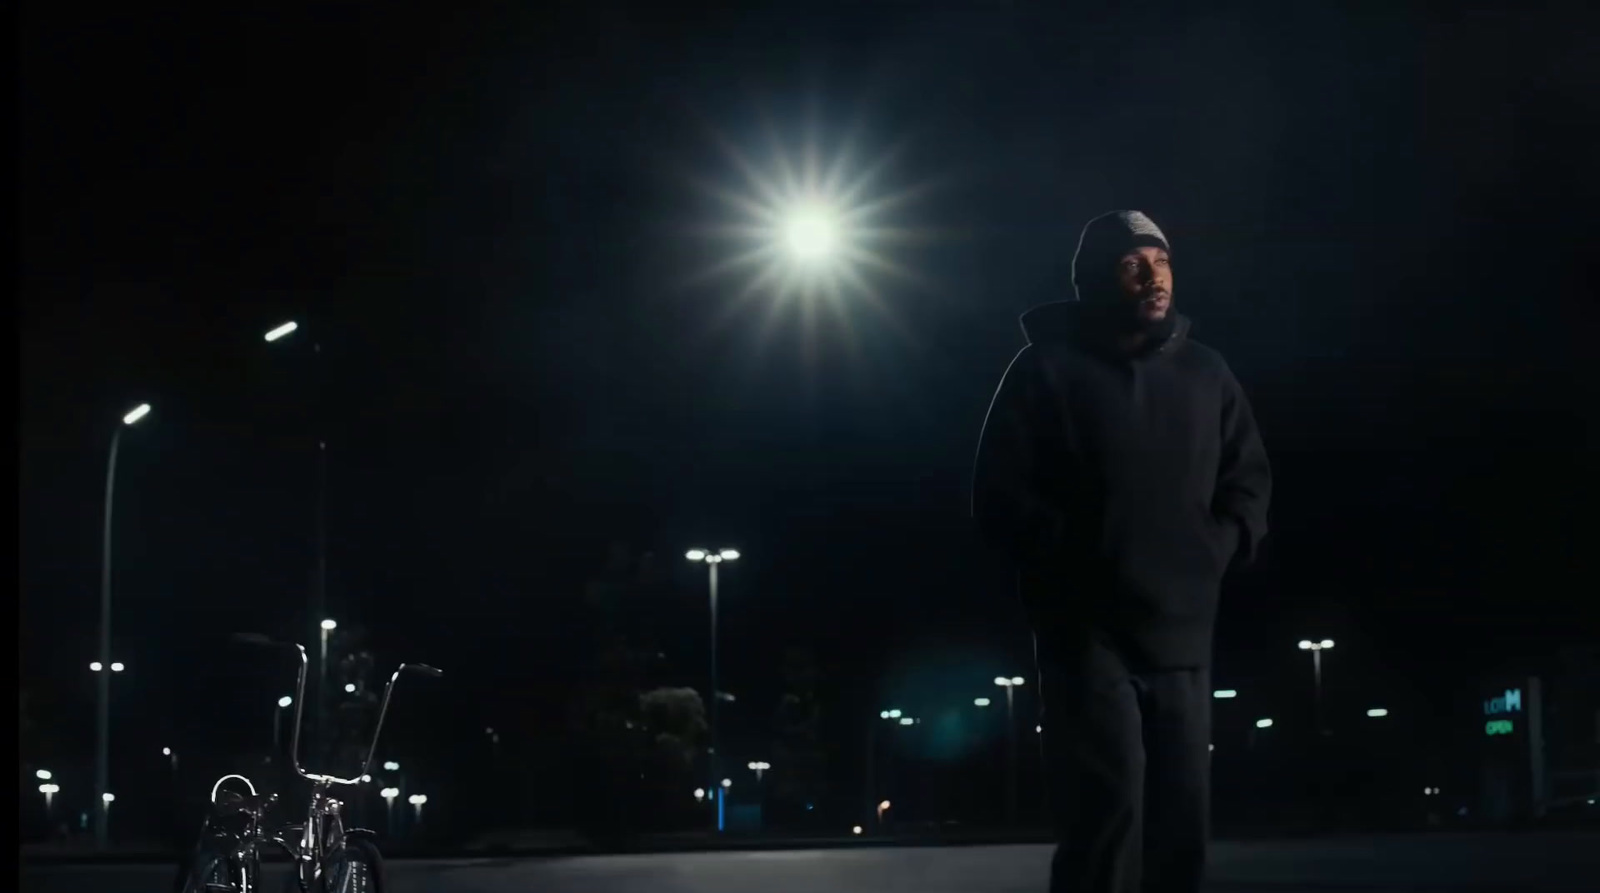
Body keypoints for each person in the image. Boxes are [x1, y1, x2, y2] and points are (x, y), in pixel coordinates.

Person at [972, 210, 1271, 893]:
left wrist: (1217, 550)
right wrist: (1075, 566)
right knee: (1106, 818)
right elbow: (998, 494)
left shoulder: (1207, 372)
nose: (1152, 276)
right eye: (1132, 263)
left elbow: (1248, 480)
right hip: (1088, 636)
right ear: (1094, 280)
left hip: (1184, 632)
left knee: (1181, 827)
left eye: (1160, 260)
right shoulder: (1044, 369)